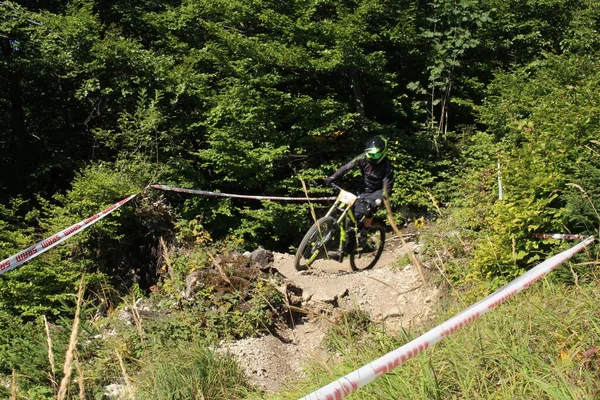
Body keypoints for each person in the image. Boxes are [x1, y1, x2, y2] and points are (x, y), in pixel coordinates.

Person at [323, 136, 394, 247]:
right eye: (370, 154)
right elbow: (347, 167)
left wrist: (380, 199)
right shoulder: (363, 157)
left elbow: (387, 185)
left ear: (382, 153)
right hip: (363, 189)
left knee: (369, 209)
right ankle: (349, 238)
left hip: (378, 191)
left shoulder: (387, 165)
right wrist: (332, 178)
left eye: (375, 155)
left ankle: (365, 232)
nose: (371, 157)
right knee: (352, 215)